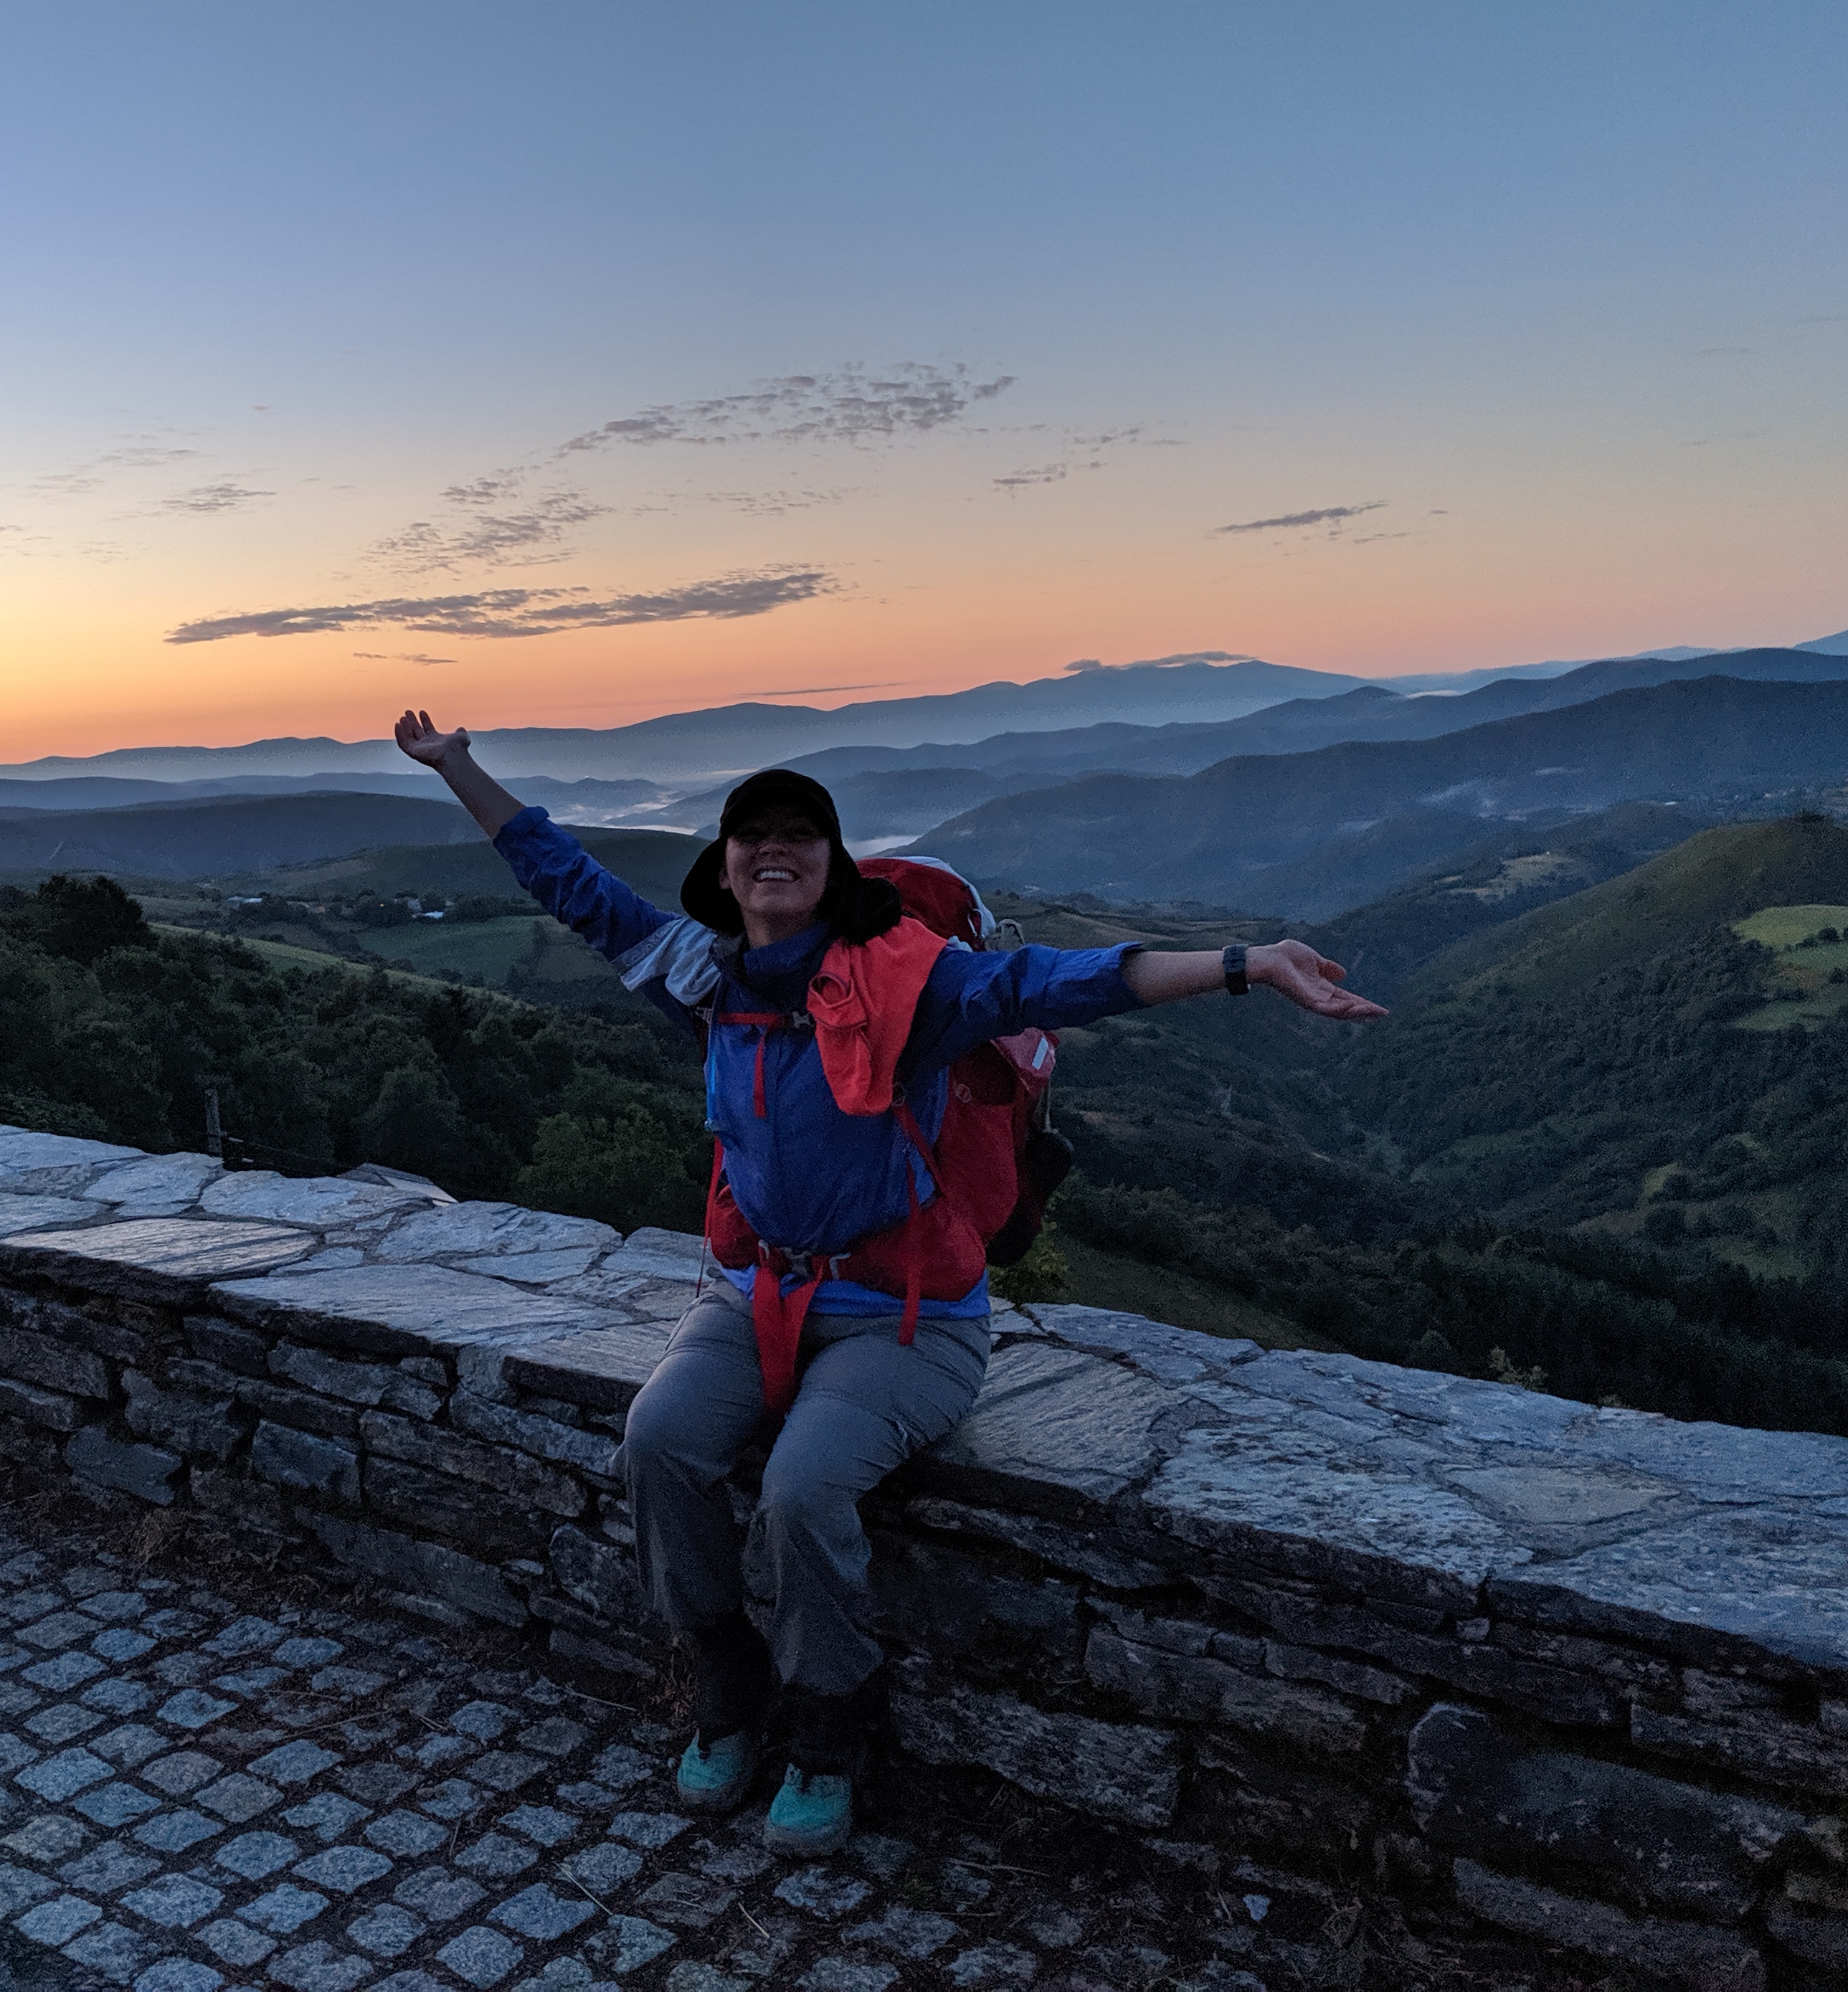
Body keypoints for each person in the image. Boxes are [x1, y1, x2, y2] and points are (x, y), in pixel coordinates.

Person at [394, 708, 1384, 1855]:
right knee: (659, 1440)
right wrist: (456, 764)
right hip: (757, 1296)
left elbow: (1055, 983)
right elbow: (564, 878)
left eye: (799, 835)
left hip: (909, 1315)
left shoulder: (910, 990)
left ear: (832, 865)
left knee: (806, 1487)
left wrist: (1245, 965)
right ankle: (727, 1687)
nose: (775, 849)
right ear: (723, 867)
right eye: (751, 834)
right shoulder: (701, 979)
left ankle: (827, 1726)